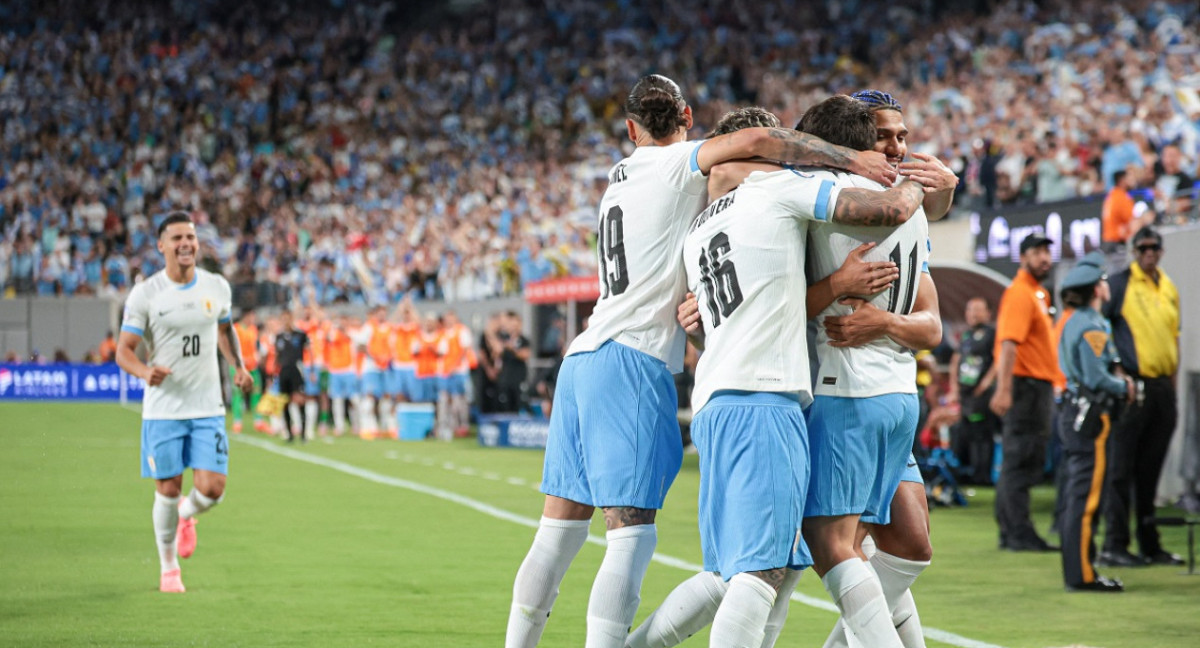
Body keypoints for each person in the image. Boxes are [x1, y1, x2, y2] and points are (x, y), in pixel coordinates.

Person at [506, 74, 896, 648]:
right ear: (688, 118)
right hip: (638, 360)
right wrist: (852, 160)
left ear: (631, 128)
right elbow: (758, 145)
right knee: (632, 537)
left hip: (586, 353)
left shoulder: (619, 181)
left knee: (558, 532)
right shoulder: (684, 165)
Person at [114, 211, 253, 593]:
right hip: (164, 410)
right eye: (177, 238)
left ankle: (187, 516)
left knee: (213, 489)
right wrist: (145, 372)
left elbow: (225, 330)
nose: (186, 244)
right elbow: (123, 351)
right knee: (169, 488)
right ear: (162, 246)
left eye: (190, 237)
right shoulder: (147, 294)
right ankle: (168, 567)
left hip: (207, 406)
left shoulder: (216, 287)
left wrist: (238, 366)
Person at [1099, 226, 1183, 567]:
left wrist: (1173, 387)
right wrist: (1114, 372)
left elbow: (1173, 338)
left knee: (1150, 471)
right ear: (1134, 250)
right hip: (1133, 387)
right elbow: (1098, 328)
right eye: (1143, 247)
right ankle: (1114, 544)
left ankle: (1150, 544)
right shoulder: (1119, 284)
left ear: (1161, 250)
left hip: (1163, 387)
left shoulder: (1168, 286)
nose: (1149, 252)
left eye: (1154, 247)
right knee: (1120, 469)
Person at [1056, 251, 1134, 592]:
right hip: (1089, 416)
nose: (1107, 285)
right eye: (1103, 280)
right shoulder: (1090, 324)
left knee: (1081, 493)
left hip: (1074, 411)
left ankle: (1081, 569)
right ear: (1096, 288)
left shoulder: (1077, 320)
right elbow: (1096, 377)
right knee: (1086, 498)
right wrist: (1126, 386)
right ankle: (1083, 574)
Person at [990, 233, 1059, 552]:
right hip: (1025, 386)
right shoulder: (1021, 293)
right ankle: (1019, 532)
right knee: (1022, 460)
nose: (1045, 257)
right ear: (1024, 257)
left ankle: (1011, 530)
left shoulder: (1038, 293)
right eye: (1037, 252)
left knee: (1023, 459)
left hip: (1033, 386)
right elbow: (1008, 344)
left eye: (1047, 251)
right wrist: (1004, 390)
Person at [948, 297, 1000, 484]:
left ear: (988, 313)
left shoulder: (992, 334)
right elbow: (956, 360)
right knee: (962, 432)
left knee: (982, 435)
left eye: (978, 310)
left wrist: (986, 383)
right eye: (970, 310)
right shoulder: (966, 336)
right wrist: (954, 388)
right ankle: (962, 473)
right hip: (965, 393)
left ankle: (982, 476)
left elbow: (998, 359)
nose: (973, 314)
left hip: (982, 395)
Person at [273, 309, 310, 442]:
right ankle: (289, 434)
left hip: (296, 370)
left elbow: (309, 352)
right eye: (283, 318)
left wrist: (310, 370)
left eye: (288, 318)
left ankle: (304, 433)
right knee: (285, 402)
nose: (286, 321)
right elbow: (277, 356)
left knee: (300, 400)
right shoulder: (279, 337)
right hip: (284, 371)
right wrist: (273, 373)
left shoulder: (300, 335)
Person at [230, 310, 264, 434]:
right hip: (239, 366)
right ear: (246, 316)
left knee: (256, 393)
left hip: (253, 366)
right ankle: (237, 422)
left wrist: (258, 355)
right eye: (251, 316)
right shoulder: (236, 329)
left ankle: (258, 421)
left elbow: (256, 345)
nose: (252, 319)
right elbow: (231, 345)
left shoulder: (253, 329)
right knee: (238, 394)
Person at [496, 311, 531, 414]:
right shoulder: (503, 339)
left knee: (521, 402)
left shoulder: (523, 340)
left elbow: (525, 355)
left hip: (518, 377)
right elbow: (497, 353)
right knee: (505, 405)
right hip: (505, 378)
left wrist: (512, 349)